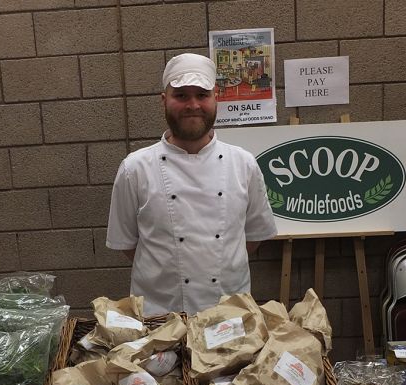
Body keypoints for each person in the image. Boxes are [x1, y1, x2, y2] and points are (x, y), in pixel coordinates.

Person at [106, 53, 277, 316]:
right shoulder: (135, 168)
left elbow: (252, 237)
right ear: (164, 101)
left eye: (202, 94)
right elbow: (128, 245)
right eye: (181, 95)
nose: (193, 105)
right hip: (160, 317)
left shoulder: (243, 164)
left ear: (215, 98)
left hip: (228, 316)